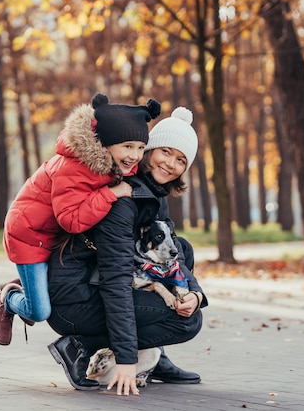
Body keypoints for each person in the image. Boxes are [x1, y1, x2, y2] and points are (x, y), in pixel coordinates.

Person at [45, 106, 207, 395]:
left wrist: (194, 293)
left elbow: (176, 255)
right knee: (186, 323)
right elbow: (116, 278)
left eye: (181, 160)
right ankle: (80, 346)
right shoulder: (124, 197)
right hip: (76, 300)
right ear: (149, 150)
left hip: (100, 286)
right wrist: (127, 361)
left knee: (181, 247)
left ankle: (156, 357)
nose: (171, 164)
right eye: (165, 152)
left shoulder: (155, 192)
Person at [0, 93, 161, 346]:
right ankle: (8, 298)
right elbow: (71, 220)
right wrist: (110, 193)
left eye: (140, 148)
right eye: (127, 147)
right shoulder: (74, 167)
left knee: (49, 292)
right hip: (29, 236)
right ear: (107, 143)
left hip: (53, 235)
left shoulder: (114, 163)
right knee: (39, 311)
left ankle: (32, 286)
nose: (135, 155)